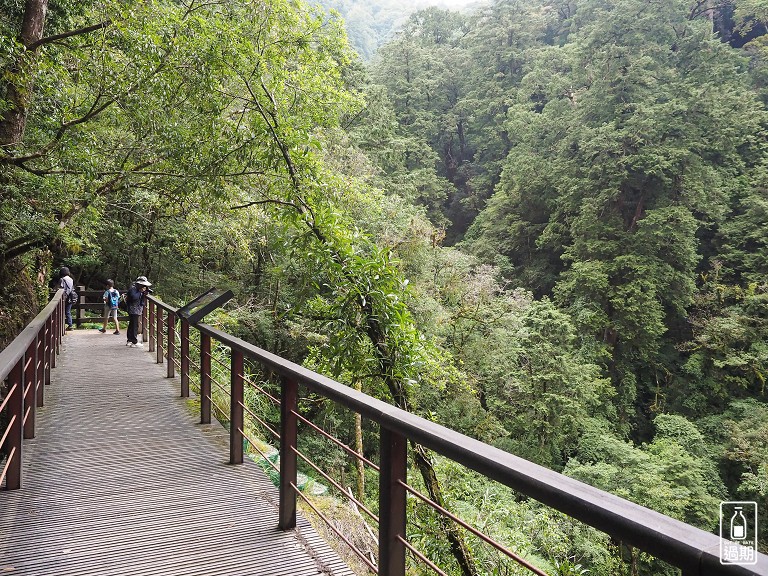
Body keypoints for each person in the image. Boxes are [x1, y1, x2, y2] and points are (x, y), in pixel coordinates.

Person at [126, 275, 151, 347]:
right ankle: (134, 342)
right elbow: (134, 297)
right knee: (134, 325)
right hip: (133, 310)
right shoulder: (133, 289)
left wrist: (144, 292)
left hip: (136, 310)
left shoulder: (137, 290)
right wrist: (141, 292)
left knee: (132, 325)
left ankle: (129, 340)